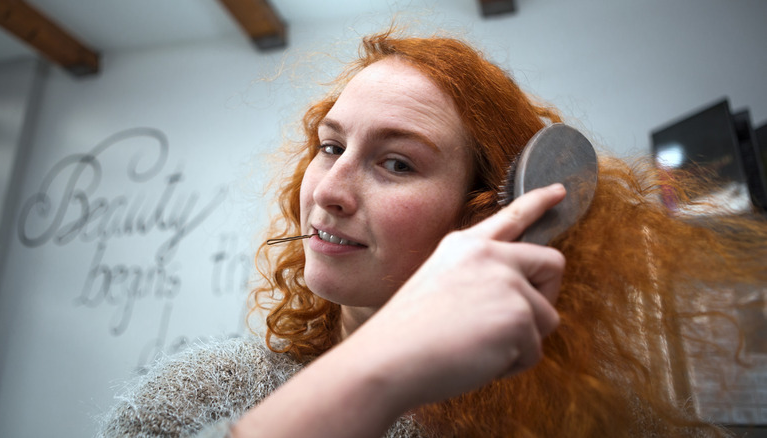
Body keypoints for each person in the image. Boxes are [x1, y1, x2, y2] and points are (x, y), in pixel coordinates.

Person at [98, 29, 767, 438]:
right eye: (330, 148)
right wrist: (375, 374)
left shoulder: (597, 423)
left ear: (484, 213)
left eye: (396, 162)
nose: (327, 191)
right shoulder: (196, 398)